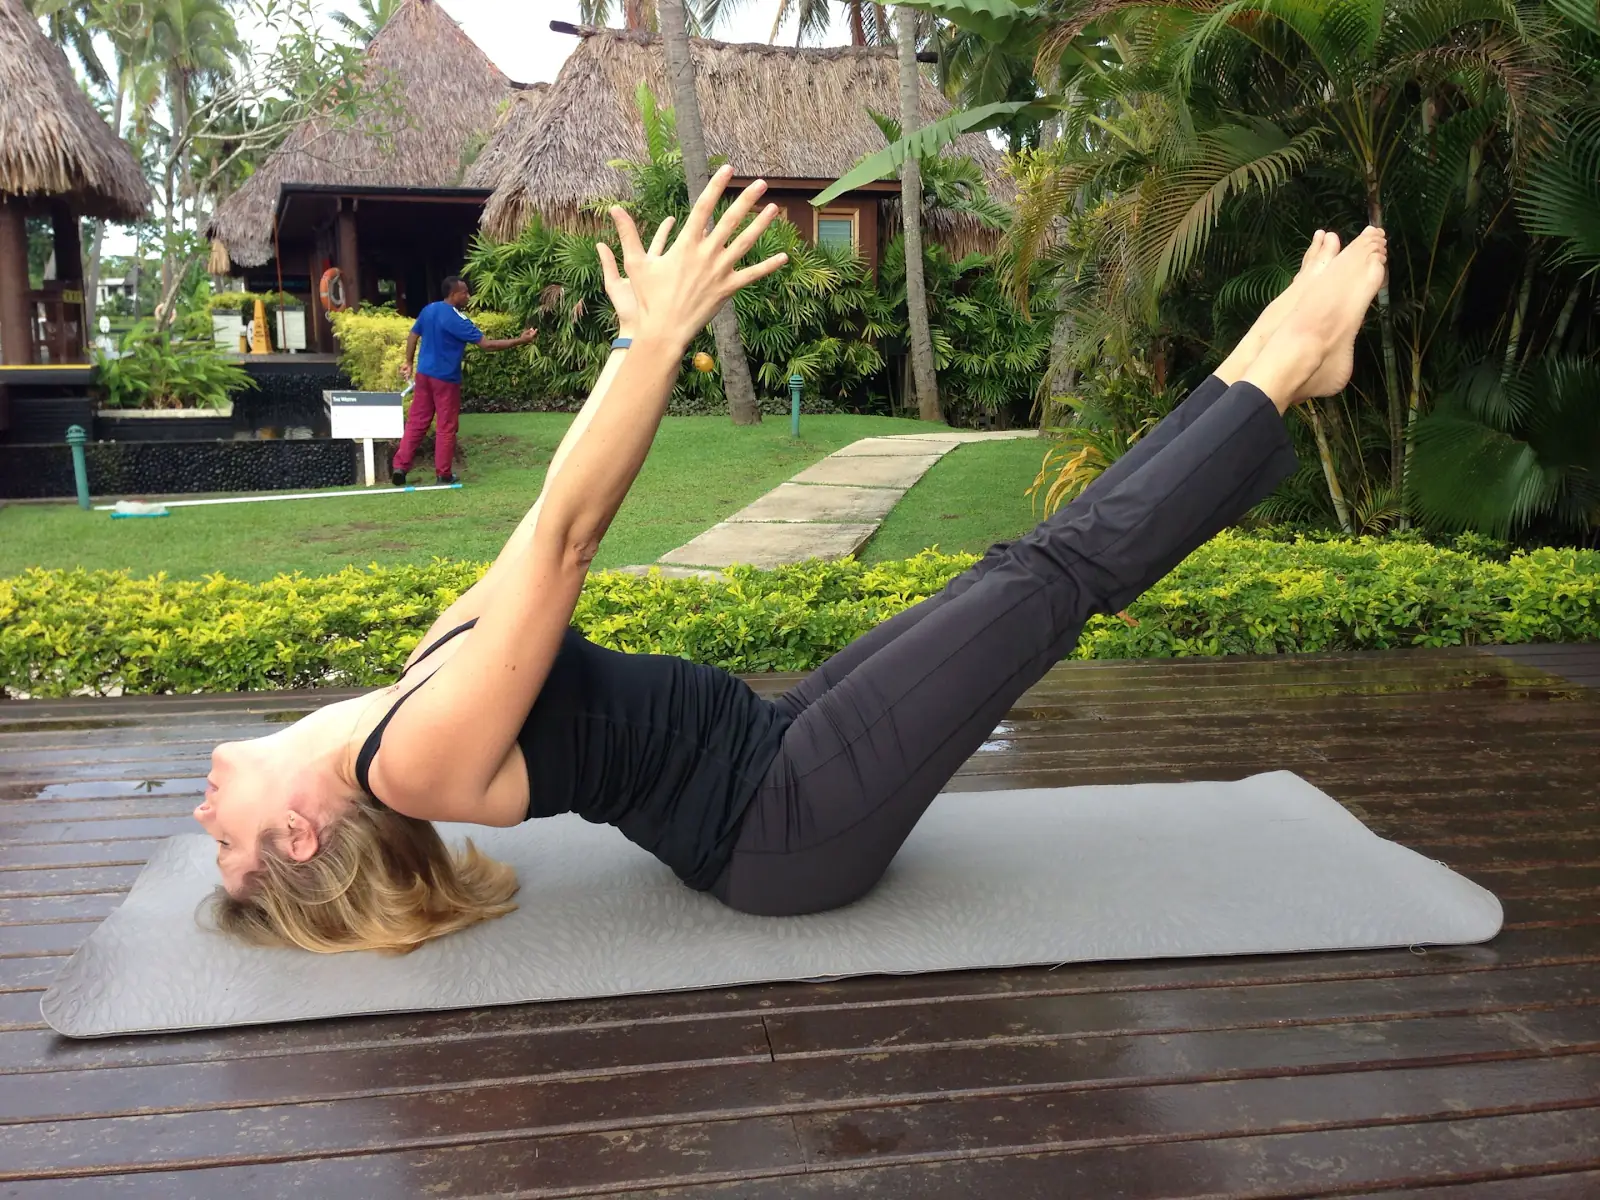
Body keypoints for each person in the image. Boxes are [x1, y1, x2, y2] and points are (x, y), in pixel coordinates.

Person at [195, 166, 1388, 953]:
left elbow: (534, 526)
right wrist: (654, 338)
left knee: (1021, 569)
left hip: (773, 741)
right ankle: (1285, 358)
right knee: (1048, 585)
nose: (207, 813)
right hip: (786, 824)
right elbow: (567, 538)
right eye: (227, 839)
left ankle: (1268, 366)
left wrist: (635, 342)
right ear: (300, 836)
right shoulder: (410, 767)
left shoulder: (406, 693)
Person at [392, 277, 536, 486]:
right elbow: (487, 345)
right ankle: (443, 474)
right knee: (446, 426)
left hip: (423, 375)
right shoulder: (458, 320)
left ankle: (400, 467)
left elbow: (413, 335)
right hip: (446, 380)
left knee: (416, 422)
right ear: (453, 295)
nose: (468, 296)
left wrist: (408, 362)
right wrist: (520, 341)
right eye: (464, 293)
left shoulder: (429, 309)